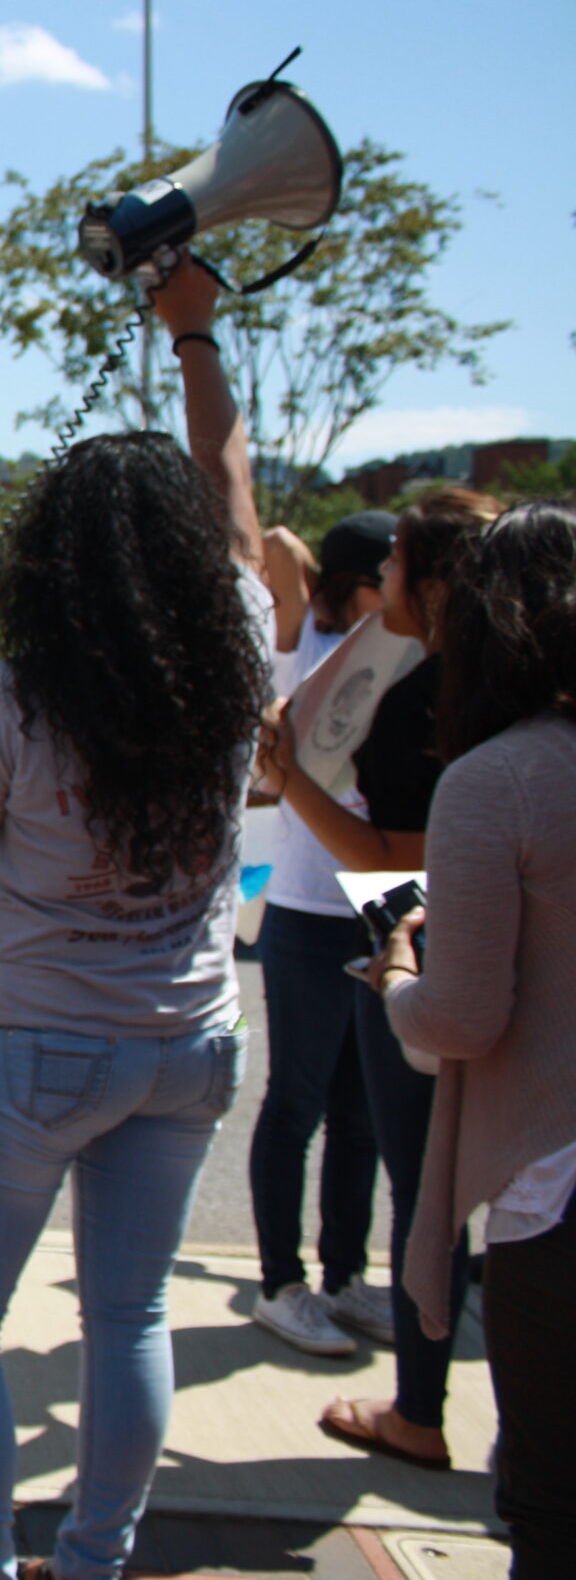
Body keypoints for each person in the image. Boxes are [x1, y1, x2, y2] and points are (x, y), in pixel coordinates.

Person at [0, 257, 272, 1580]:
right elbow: (242, 508)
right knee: (127, 1312)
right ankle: (94, 1560)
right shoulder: (242, 651)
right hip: (194, 1038)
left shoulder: (25, 697)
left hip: (37, 1043)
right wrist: (195, 336)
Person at [261, 485, 502, 1470]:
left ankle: (417, 1410)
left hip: (423, 953)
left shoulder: (423, 697)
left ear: (434, 583)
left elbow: (394, 848)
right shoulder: (501, 680)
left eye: (397, 563)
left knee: (422, 1179)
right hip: (481, 946)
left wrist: (295, 780)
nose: (381, 580)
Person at [368, 498, 576, 1575]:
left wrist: (400, 972)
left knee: (544, 1505)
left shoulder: (496, 779)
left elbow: (459, 1020)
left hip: (555, 1193)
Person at [244, 512, 398, 1356]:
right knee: (297, 1101)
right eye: (386, 571)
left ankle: (345, 1275)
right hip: (307, 912)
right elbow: (273, 545)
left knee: (362, 1112)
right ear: (352, 584)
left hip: (381, 910)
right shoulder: (308, 652)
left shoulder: (410, 664)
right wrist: (310, 553)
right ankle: (280, 1283)